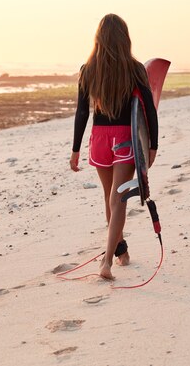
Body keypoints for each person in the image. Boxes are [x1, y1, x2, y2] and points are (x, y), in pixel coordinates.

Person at [70, 14, 158, 280]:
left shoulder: (88, 69)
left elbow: (81, 113)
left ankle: (121, 252)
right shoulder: (134, 68)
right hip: (124, 138)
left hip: (99, 137)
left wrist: (75, 150)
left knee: (110, 197)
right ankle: (106, 262)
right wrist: (152, 145)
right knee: (117, 200)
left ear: (98, 38)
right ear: (124, 37)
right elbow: (149, 110)